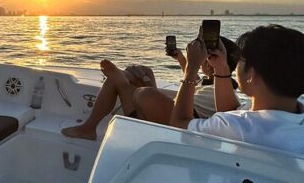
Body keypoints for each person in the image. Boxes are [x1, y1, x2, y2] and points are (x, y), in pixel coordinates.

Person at [61, 36, 240, 140]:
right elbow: (192, 77)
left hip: (168, 128)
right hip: (163, 118)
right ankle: (126, 82)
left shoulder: (219, 93)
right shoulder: (210, 83)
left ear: (210, 62)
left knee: (135, 89)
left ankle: (89, 128)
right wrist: (179, 58)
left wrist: (149, 92)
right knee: (146, 73)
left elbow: (183, 114)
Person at [171, 25, 304, 154]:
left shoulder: (236, 127)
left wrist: (191, 67)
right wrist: (221, 67)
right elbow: (233, 112)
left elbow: (179, 124)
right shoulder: (295, 111)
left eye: (241, 60)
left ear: (251, 74)